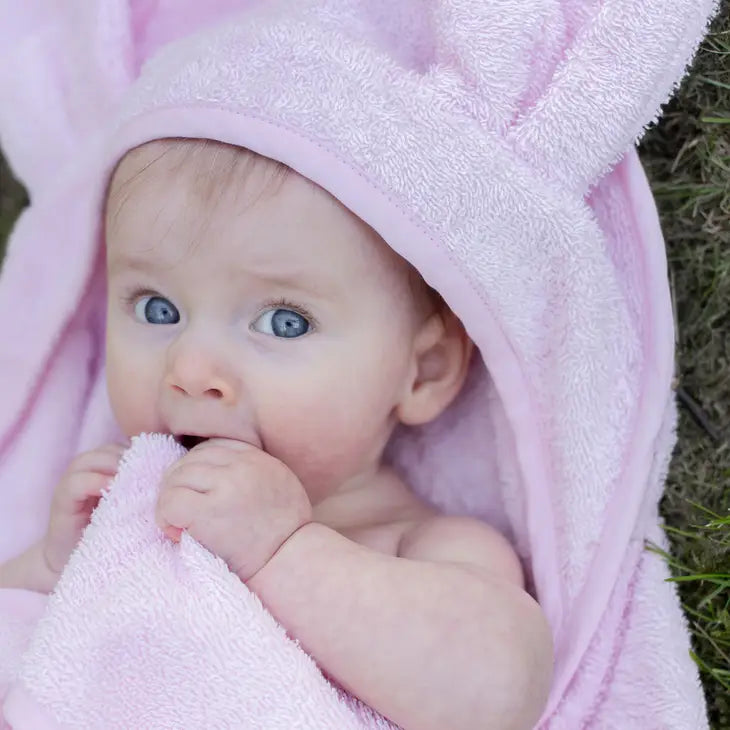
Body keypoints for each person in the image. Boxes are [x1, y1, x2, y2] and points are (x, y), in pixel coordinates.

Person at [0, 137, 553, 730]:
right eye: (158, 309)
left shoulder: (426, 547)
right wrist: (55, 567)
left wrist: (282, 551)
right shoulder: (126, 514)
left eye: (283, 322)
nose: (189, 370)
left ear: (424, 371)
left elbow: (496, 695)